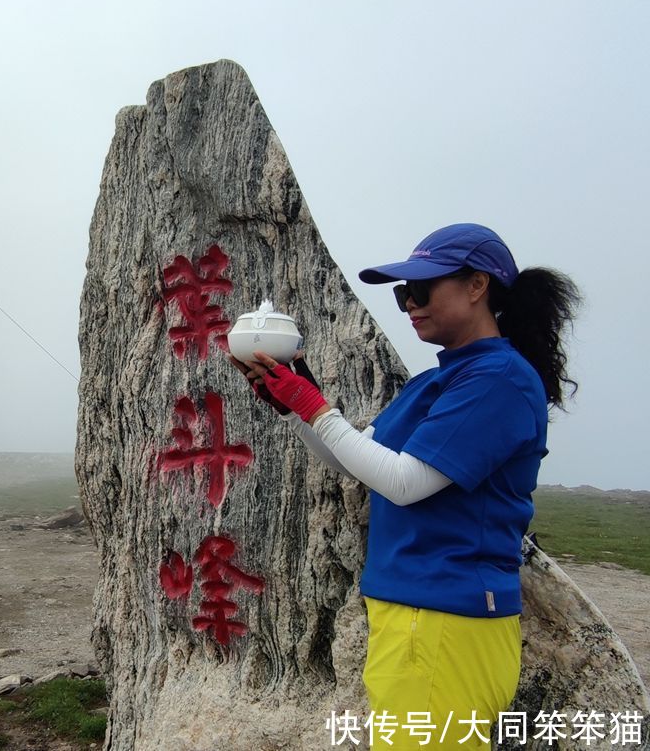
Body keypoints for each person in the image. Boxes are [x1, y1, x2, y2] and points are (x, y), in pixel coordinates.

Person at [229, 223, 581, 751]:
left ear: (477, 285)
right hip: (415, 613)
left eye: (421, 289)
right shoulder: (441, 379)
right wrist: (296, 407)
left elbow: (405, 482)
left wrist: (312, 406)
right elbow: (362, 460)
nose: (409, 304)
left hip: (445, 618)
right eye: (402, 294)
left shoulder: (498, 380)